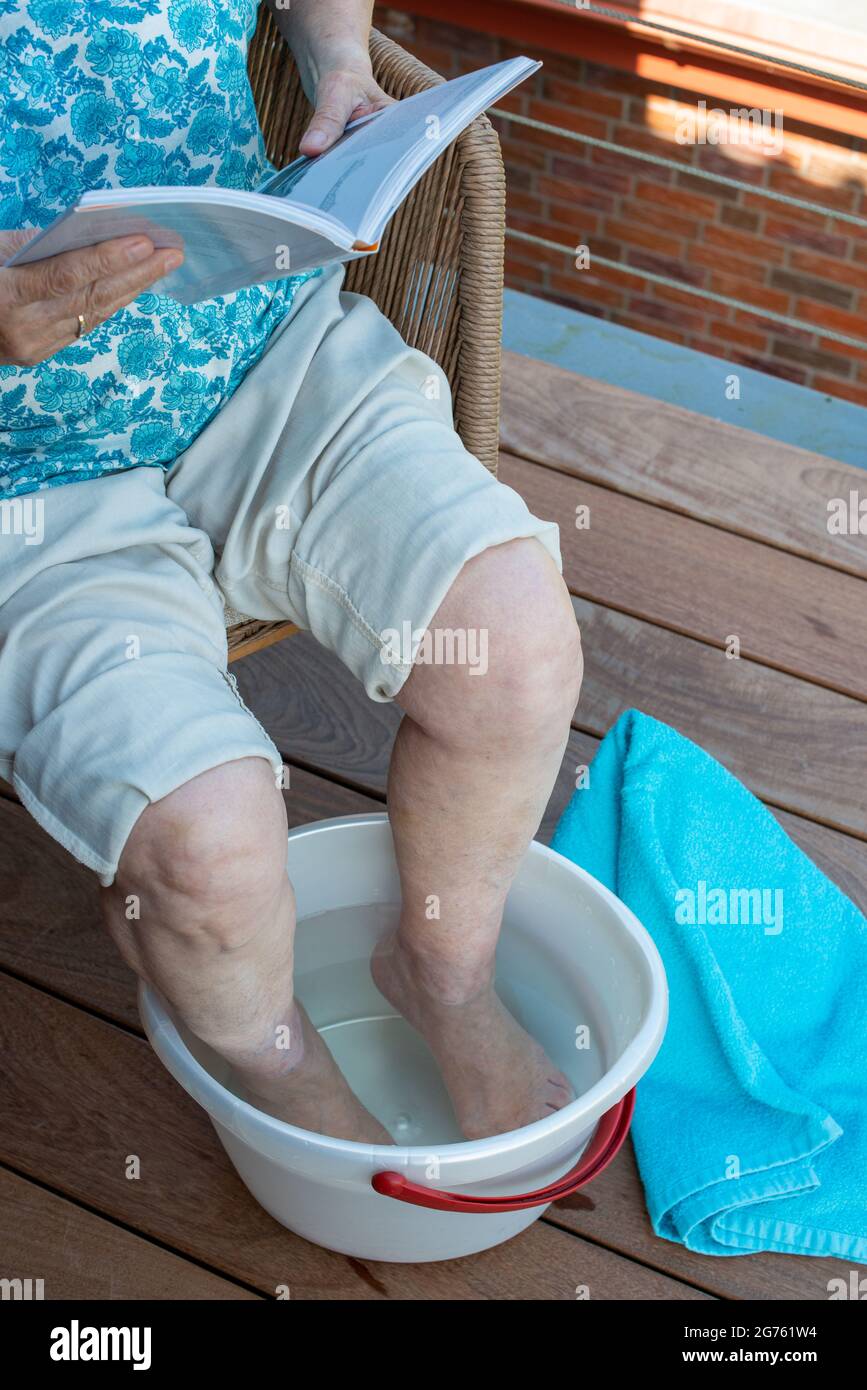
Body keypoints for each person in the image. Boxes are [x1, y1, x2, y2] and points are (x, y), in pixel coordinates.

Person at [0, 1, 582, 1142]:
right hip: (26, 489)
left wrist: (334, 54)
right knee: (205, 855)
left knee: (513, 652)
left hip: (264, 356)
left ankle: (442, 970)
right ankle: (282, 1070)